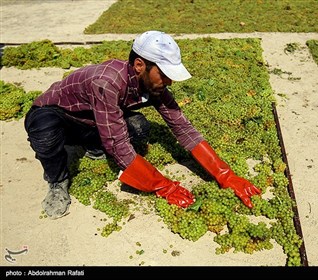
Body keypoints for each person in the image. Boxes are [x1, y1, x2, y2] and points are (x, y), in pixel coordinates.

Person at [24, 30, 261, 219]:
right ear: (140, 65)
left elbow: (182, 127)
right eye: (165, 73)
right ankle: (57, 181)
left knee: (138, 128)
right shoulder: (108, 81)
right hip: (57, 115)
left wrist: (225, 175)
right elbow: (117, 144)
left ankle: (93, 146)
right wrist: (164, 186)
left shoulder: (153, 85)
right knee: (46, 133)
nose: (169, 81)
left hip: (93, 120)